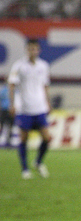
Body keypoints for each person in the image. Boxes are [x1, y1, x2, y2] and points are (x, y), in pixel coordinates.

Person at [7, 38, 52, 179]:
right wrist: (12, 103)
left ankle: (38, 162)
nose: (33, 51)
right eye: (30, 49)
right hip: (24, 108)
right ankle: (25, 169)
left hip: (39, 107)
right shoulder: (19, 66)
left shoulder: (43, 66)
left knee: (47, 138)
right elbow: (11, 85)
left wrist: (48, 102)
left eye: (35, 49)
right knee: (23, 138)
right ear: (27, 50)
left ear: (39, 50)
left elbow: (45, 85)